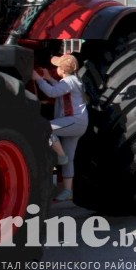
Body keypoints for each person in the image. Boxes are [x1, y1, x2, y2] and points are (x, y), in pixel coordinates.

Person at [32, 54, 88, 202]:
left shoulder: (69, 81)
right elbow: (59, 88)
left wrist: (38, 79)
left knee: (46, 128)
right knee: (70, 159)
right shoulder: (72, 80)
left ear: (62, 69)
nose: (56, 68)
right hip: (77, 122)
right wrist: (49, 78)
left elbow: (52, 92)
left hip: (74, 121)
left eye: (57, 66)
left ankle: (60, 156)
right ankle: (68, 190)